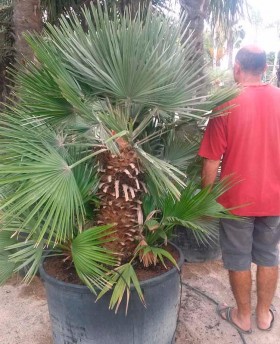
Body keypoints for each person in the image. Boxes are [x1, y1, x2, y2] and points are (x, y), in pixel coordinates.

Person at [198, 44, 280, 334]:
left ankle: (243, 316)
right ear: (265, 70)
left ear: (236, 69)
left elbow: (211, 162)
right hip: (274, 198)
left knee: (238, 258)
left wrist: (206, 202)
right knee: (269, 255)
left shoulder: (225, 103)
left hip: (236, 201)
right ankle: (263, 317)